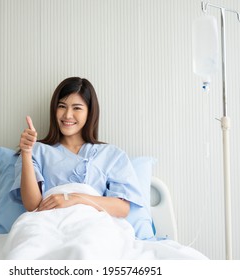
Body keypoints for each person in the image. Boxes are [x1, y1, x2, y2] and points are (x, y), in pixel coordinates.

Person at [10, 77, 144, 218]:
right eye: (62, 106)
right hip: (48, 225)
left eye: (77, 108)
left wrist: (76, 199)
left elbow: (122, 209)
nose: (67, 115)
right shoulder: (36, 151)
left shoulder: (112, 155)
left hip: (93, 226)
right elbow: (32, 206)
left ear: (90, 112)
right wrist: (26, 152)